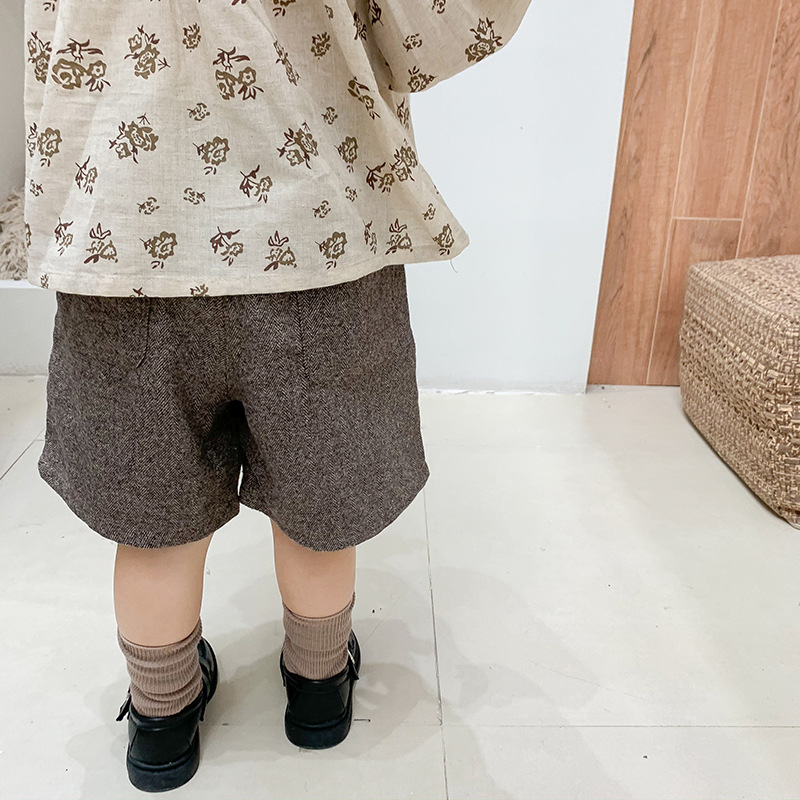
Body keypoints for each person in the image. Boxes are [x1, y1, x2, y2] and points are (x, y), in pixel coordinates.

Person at [22, 0, 532, 791]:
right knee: (318, 505)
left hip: (121, 241)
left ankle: (160, 722)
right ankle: (319, 689)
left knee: (154, 523)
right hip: (317, 233)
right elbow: (434, 30)